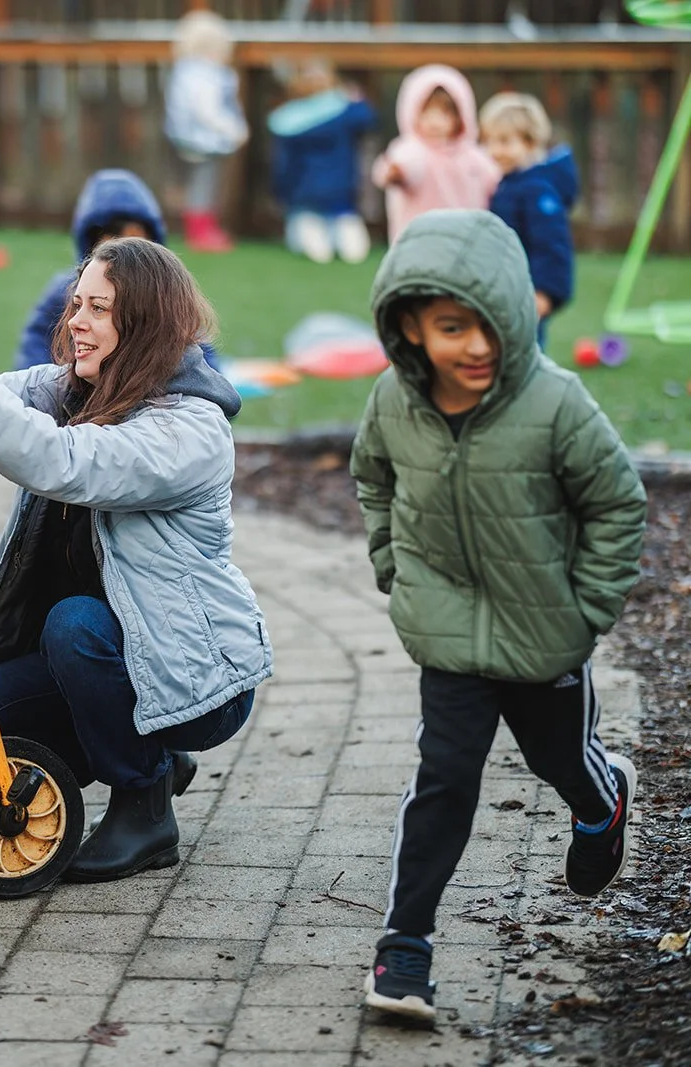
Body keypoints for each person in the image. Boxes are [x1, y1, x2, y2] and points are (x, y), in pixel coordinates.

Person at [0, 236, 273, 883]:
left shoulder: (188, 430)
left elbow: (62, 462)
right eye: (75, 303)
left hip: (195, 676)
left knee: (75, 622)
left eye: (98, 309)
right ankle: (149, 750)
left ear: (144, 324)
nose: (75, 321)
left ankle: (145, 801)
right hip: (109, 655)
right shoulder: (67, 388)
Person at [350, 210, 647, 1023]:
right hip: (448, 638)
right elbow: (372, 478)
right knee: (444, 781)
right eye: (452, 328)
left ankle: (602, 801)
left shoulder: (554, 403)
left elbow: (618, 503)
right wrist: (392, 563)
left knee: (562, 759)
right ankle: (404, 947)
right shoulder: (392, 402)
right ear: (410, 324)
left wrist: (586, 611)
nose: (476, 346)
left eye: (491, 325)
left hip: (544, 636)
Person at [15, 169, 220, 373]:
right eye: (116, 237)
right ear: (93, 240)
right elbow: (37, 343)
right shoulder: (67, 289)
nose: (125, 250)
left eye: (137, 239)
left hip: (145, 390)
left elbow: (197, 348)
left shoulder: (163, 292)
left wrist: (206, 385)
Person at [480, 91, 578, 349]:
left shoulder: (536, 190)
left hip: (529, 293)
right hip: (508, 287)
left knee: (527, 352)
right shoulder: (510, 184)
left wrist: (545, 292)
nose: (495, 150)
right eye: (489, 141)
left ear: (531, 143)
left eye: (504, 141)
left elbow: (552, 244)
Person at [371, 64, 499, 244]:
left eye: (444, 114)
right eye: (427, 114)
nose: (435, 122)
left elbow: (494, 180)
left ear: (460, 116)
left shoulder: (472, 156)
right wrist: (395, 172)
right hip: (419, 243)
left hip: (465, 242)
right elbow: (403, 166)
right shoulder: (412, 149)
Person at [269, 59, 377, 264]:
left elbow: (284, 165)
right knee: (347, 228)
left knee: (308, 225)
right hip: (341, 188)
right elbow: (367, 118)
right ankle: (347, 248)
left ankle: (319, 247)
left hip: (304, 190)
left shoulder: (287, 120)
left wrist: (281, 190)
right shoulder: (345, 112)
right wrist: (356, 98)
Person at [164, 9, 249, 253]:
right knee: (204, 183)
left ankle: (202, 227)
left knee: (198, 183)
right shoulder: (207, 75)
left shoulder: (185, 70)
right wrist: (233, 129)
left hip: (186, 138)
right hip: (204, 140)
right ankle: (201, 231)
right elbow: (208, 110)